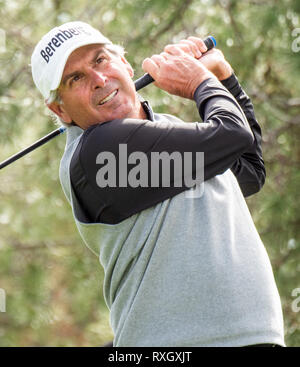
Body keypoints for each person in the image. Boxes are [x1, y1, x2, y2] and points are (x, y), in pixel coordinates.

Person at [31, 21, 285, 347]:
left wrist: (222, 75)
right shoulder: (99, 153)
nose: (98, 79)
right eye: (75, 78)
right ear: (60, 109)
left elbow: (248, 172)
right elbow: (233, 135)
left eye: (100, 60)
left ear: (124, 62)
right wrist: (199, 80)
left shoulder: (172, 132)